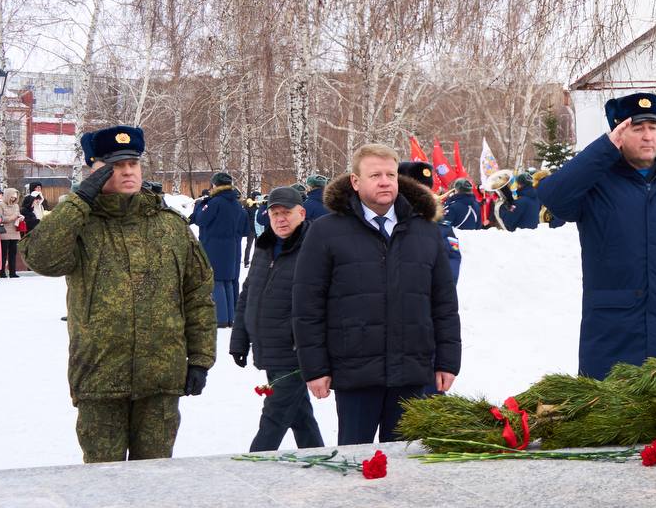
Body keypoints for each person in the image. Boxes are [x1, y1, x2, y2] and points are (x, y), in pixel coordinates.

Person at [20, 125, 216, 462]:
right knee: (103, 485)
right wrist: (79, 201)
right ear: (94, 171)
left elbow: (197, 293)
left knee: (154, 480)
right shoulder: (80, 225)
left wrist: (200, 358)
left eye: (132, 164)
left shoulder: (169, 225)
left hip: (160, 379)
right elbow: (40, 258)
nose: (127, 171)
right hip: (100, 378)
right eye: (114, 165)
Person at [537, 92, 656, 379]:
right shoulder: (596, 185)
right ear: (619, 134)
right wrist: (604, 149)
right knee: (607, 418)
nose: (648, 136)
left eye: (653, 127)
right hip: (612, 332)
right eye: (638, 128)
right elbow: (554, 195)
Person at [294, 145, 461, 445]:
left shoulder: (425, 231)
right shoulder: (325, 232)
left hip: (411, 372)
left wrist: (447, 360)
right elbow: (308, 306)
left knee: (404, 465)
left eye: (390, 175)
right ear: (356, 182)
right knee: (355, 463)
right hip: (355, 373)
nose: (385, 182)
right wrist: (315, 368)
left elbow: (443, 303)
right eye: (375, 175)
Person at [231, 186, 324, 452]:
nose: (281, 219)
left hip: (295, 351)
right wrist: (239, 340)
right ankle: (315, 452)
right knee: (299, 415)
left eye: (287, 213)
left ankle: (254, 464)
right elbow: (248, 294)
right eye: (275, 213)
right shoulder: (265, 247)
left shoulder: (313, 249)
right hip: (269, 347)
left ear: (302, 213)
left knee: (274, 416)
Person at [190, 171, 249, 329]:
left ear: (215, 185)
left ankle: (220, 318)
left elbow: (201, 219)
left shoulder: (214, 202)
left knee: (216, 280)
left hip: (213, 244)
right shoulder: (236, 203)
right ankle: (230, 317)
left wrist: (201, 204)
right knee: (228, 280)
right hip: (231, 244)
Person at [398, 160, 462, 282]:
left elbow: (450, 269)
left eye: (427, 190)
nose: (424, 195)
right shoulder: (385, 220)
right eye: (416, 190)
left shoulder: (442, 228)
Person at [0, 187, 21, 277]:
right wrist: (12, 217)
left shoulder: (16, 205)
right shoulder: (0, 205)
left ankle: (13, 272)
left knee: (13, 253)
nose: (13, 199)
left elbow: (17, 214)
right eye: (12, 197)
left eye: (15, 197)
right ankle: (1, 272)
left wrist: (20, 217)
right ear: (7, 196)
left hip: (15, 231)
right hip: (4, 232)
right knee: (3, 253)